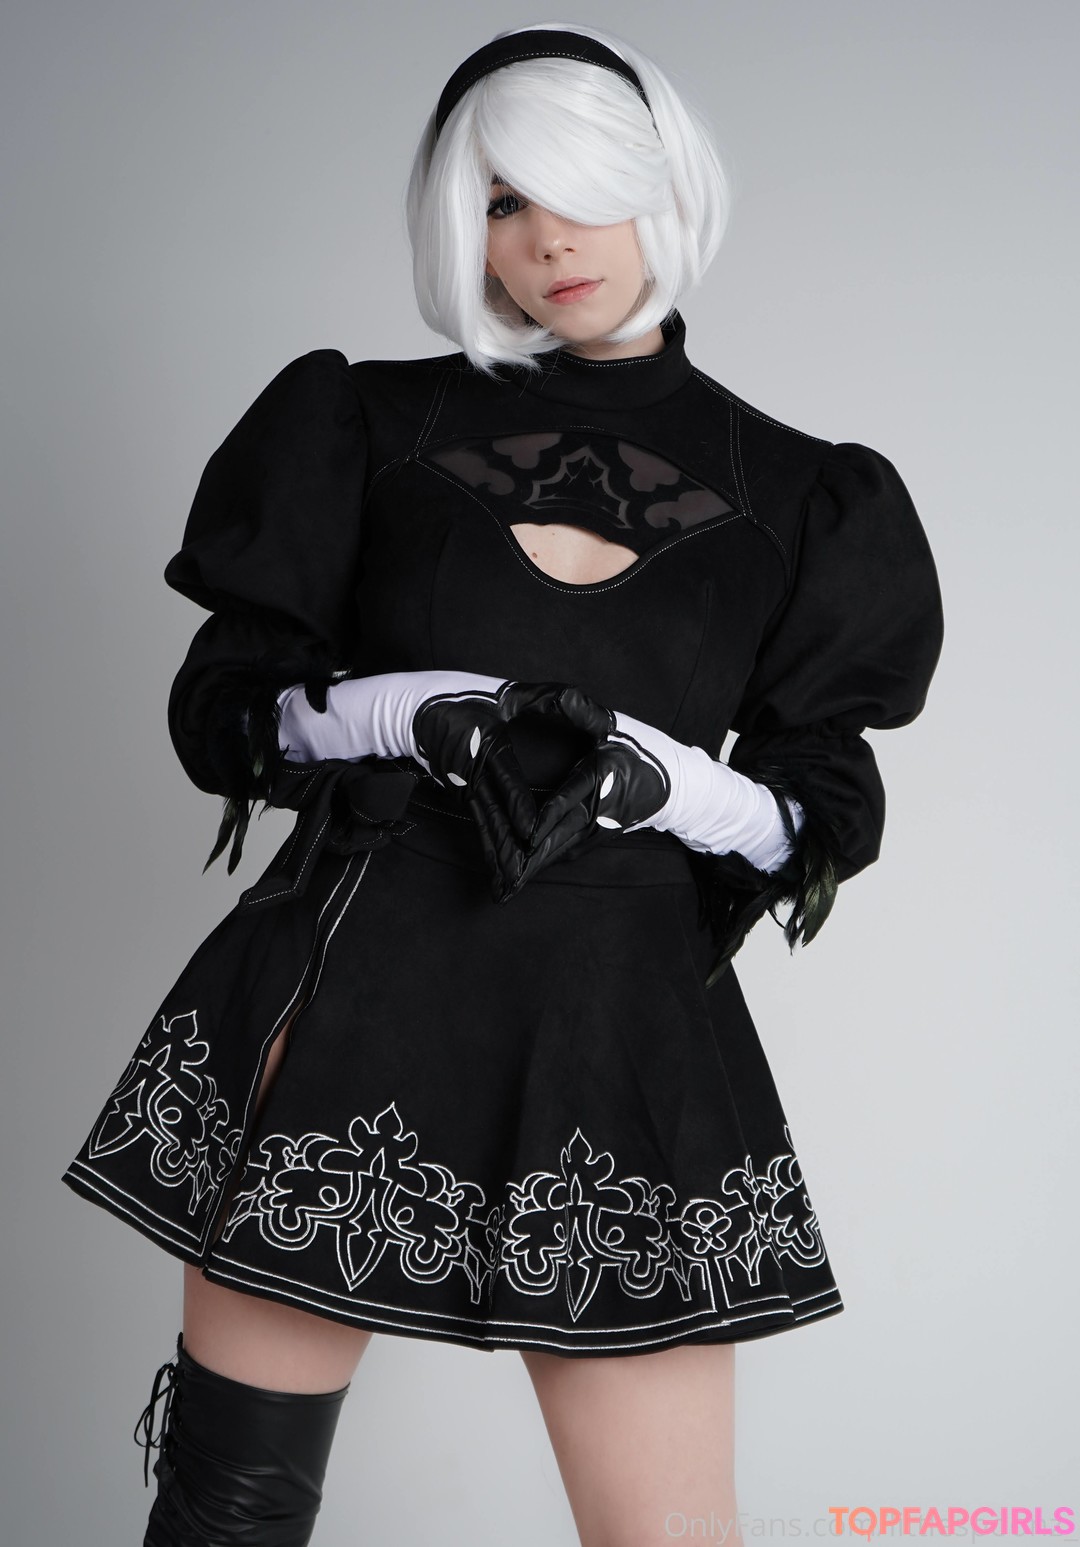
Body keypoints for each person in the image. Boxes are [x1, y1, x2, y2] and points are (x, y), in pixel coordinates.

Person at [61, 21, 944, 1547]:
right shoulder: (364, 422)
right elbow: (226, 716)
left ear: (666, 187)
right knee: (229, 1517)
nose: (546, 241)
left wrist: (680, 791)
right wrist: (396, 713)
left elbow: (819, 808)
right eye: (499, 202)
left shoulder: (808, 492)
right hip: (346, 1006)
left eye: (583, 191)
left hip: (617, 1036)